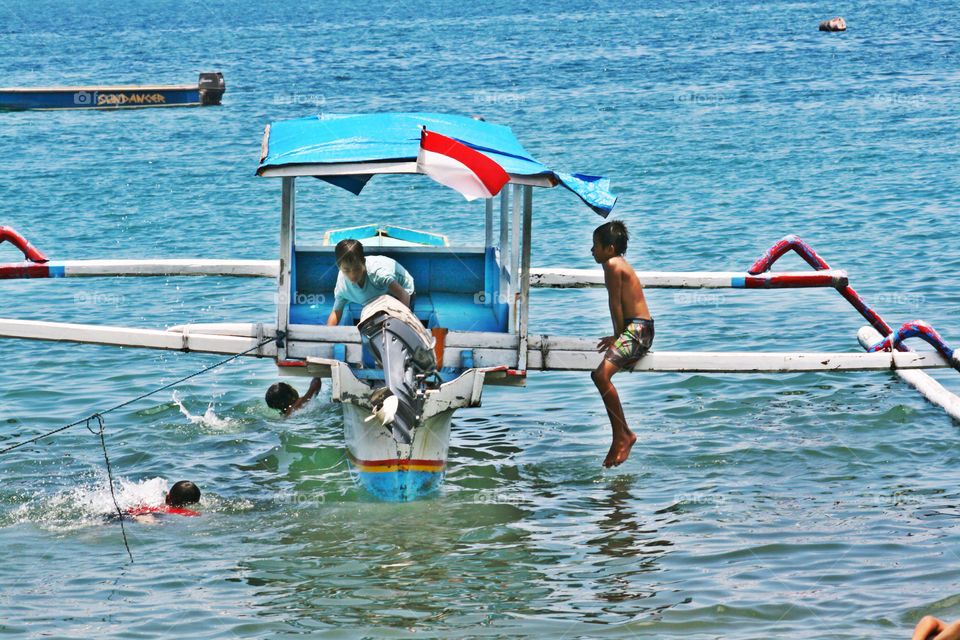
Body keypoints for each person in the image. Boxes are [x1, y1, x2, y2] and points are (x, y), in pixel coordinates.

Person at [589, 221, 654, 468]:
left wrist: (617, 336)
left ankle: (623, 435)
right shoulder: (618, 263)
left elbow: (615, 303)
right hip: (639, 330)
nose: (592, 251)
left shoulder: (612, 264)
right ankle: (622, 434)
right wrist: (618, 336)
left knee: (600, 376)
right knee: (599, 376)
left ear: (610, 248)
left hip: (637, 331)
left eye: (595, 246)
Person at [326, 239, 415, 326]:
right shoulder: (342, 285)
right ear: (339, 267)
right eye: (346, 270)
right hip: (376, 299)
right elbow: (336, 312)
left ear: (364, 262)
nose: (352, 275)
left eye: (357, 269)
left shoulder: (378, 274)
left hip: (401, 292)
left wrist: (400, 325)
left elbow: (404, 295)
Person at [124, 480, 201, 519]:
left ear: (167, 498)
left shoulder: (153, 507)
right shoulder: (191, 514)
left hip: (134, 514)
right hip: (153, 517)